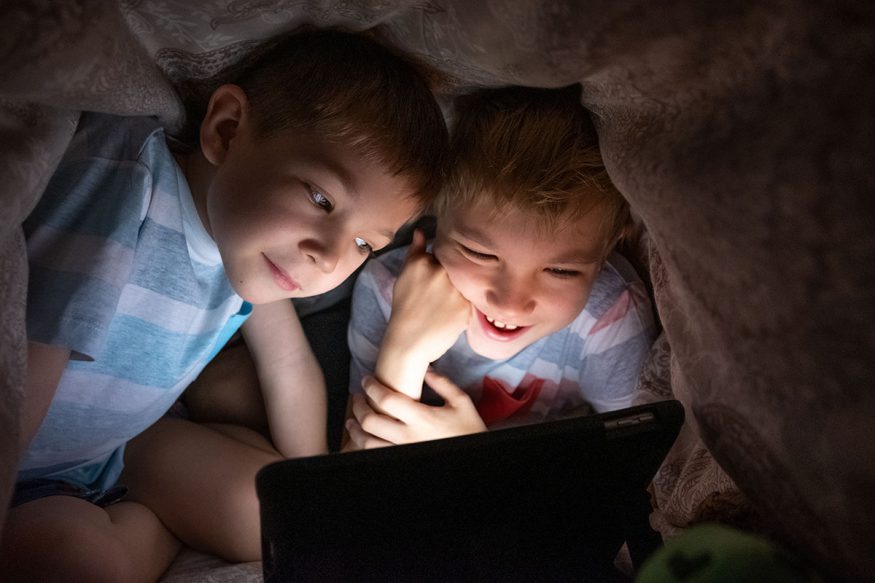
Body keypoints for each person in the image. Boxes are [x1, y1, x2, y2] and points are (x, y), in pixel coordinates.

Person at [1, 28, 449, 582]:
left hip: (123, 448)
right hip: (22, 455)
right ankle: (142, 532)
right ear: (227, 130)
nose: (328, 258)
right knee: (71, 562)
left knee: (288, 522)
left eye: (364, 244)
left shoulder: (247, 253)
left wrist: (313, 488)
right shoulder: (131, 181)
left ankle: (137, 519)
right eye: (321, 199)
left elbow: (288, 368)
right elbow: (28, 360)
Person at [345, 85, 656, 450]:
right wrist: (404, 351)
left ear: (606, 252)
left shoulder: (609, 316)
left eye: (561, 271)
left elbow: (629, 465)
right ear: (435, 215)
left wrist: (473, 452)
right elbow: (352, 475)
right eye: (480, 254)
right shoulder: (384, 290)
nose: (510, 304)